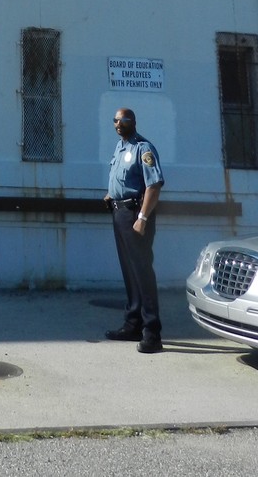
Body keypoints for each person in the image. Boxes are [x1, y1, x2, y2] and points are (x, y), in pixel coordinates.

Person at [103, 106, 164, 353]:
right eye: (115, 120)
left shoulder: (143, 148)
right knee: (129, 271)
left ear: (133, 121)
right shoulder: (120, 147)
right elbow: (124, 178)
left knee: (142, 272)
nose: (118, 124)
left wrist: (142, 218)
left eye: (124, 120)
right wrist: (112, 194)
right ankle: (133, 325)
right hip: (119, 212)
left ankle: (152, 333)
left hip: (135, 215)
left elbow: (154, 185)